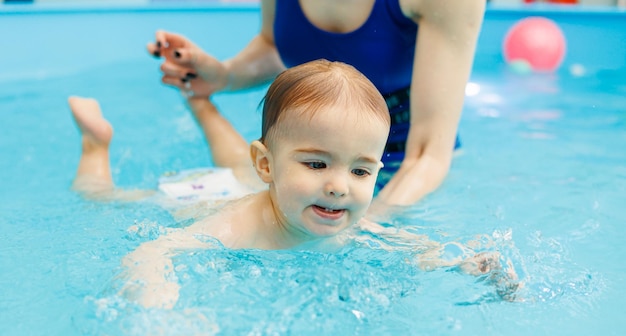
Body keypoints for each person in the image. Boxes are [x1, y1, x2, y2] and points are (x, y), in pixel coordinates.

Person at [70, 60, 517, 309]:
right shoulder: (236, 228)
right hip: (203, 199)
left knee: (238, 171)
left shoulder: (344, 220)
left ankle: (201, 103)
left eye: (361, 171)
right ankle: (95, 146)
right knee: (103, 200)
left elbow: (410, 247)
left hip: (257, 185)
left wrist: (462, 263)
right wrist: (157, 297)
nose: (340, 186)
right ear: (270, 166)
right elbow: (152, 250)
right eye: (318, 164)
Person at [147, 0, 485, 207]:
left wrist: (372, 225)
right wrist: (224, 76)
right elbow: (274, 44)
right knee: (239, 202)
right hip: (307, 144)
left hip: (395, 163)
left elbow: (427, 155)